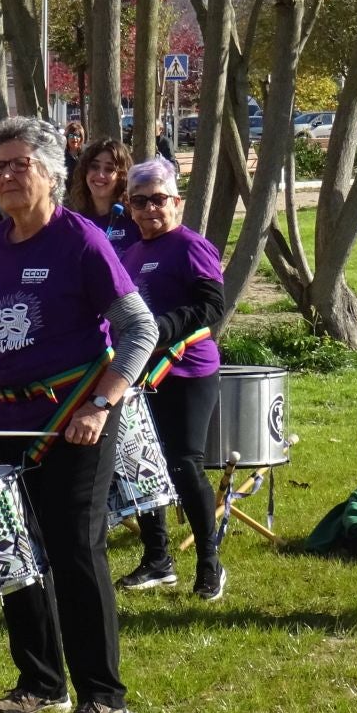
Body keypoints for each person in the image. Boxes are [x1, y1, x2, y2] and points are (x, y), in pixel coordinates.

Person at [0, 118, 158, 713]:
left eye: (20, 165)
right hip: (4, 419)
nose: (6, 176)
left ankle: (103, 695)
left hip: (74, 422)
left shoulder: (81, 240)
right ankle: (40, 681)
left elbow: (140, 330)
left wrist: (101, 404)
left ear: (51, 175)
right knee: (13, 549)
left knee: (74, 551)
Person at [113, 157, 229, 601]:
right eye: (139, 202)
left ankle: (209, 562)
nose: (149, 209)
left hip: (188, 370)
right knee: (142, 467)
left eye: (158, 200)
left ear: (176, 203)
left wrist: (161, 328)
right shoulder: (130, 254)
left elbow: (210, 306)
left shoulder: (190, 245)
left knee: (183, 464)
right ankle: (158, 559)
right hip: (141, 373)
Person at [67, 138, 136, 256]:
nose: (100, 175)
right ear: (85, 171)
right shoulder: (74, 223)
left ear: (121, 176)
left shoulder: (135, 219)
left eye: (109, 169)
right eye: (94, 166)